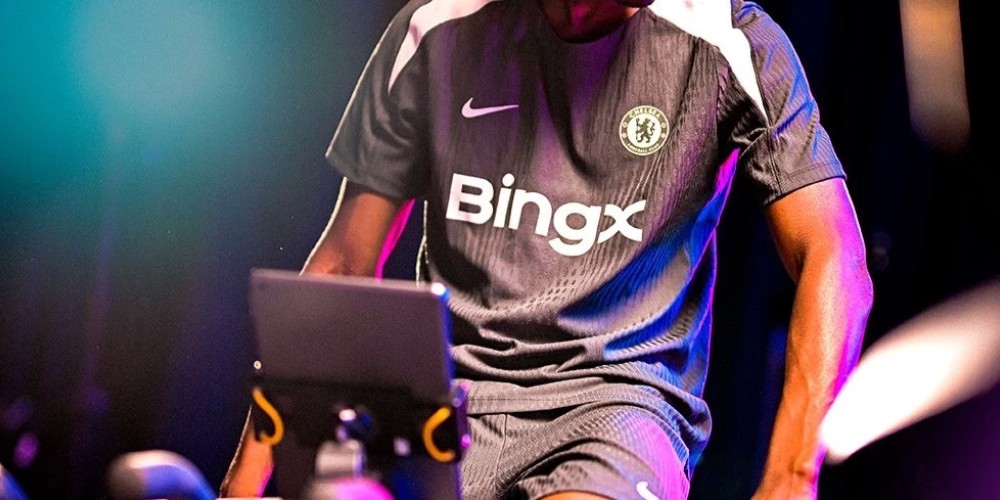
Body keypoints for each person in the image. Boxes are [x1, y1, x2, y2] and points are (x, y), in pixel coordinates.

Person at [221, 0, 873, 498]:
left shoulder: (732, 39)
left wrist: (790, 479)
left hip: (619, 401)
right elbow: (343, 265)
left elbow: (834, 254)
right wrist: (243, 484)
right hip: (448, 404)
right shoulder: (437, 28)